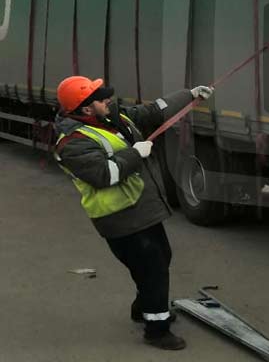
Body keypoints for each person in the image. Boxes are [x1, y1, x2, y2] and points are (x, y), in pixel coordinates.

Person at [54, 76, 214, 350]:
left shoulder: (115, 117)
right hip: (119, 216)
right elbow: (104, 174)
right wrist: (135, 154)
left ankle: (145, 306)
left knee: (160, 258)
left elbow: (155, 111)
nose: (107, 98)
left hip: (140, 207)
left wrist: (190, 95)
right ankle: (157, 329)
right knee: (152, 267)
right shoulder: (73, 142)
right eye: (99, 97)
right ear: (86, 109)